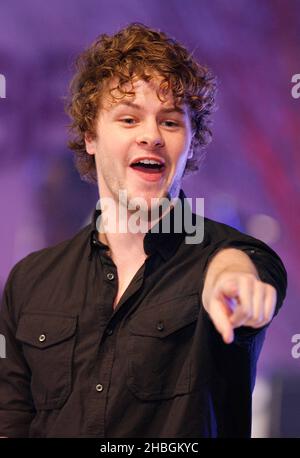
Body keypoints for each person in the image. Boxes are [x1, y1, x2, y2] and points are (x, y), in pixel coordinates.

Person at [0, 23, 287, 438]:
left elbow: (243, 265)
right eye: (129, 118)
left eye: (171, 122)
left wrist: (233, 275)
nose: (151, 135)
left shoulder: (232, 254)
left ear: (190, 142)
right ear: (91, 135)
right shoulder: (31, 280)